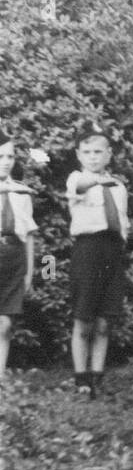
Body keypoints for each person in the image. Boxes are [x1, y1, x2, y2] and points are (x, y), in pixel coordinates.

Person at [66, 132, 129, 399]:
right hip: (87, 249)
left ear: (109, 154)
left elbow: (123, 220)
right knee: (84, 318)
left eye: (98, 152)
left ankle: (98, 376)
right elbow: (82, 184)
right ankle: (81, 380)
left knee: (105, 321)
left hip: (112, 251)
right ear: (79, 155)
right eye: (87, 152)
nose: (93, 157)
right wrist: (97, 179)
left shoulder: (118, 186)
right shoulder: (77, 179)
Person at [0, 139, 37, 383]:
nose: (5, 162)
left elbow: (31, 235)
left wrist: (32, 273)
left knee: (4, 324)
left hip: (14, 257)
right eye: (1, 157)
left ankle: (0, 378)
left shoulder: (22, 191)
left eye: (10, 157)